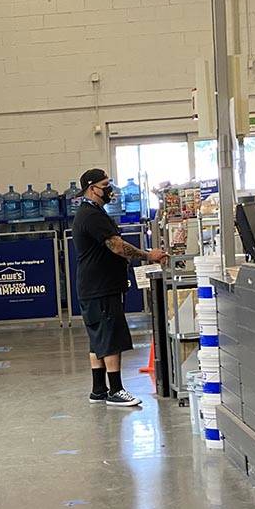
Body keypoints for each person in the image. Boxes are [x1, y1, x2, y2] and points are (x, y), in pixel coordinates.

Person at [71, 168, 169, 407]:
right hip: (100, 287)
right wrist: (148, 255)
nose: (110, 190)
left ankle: (98, 389)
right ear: (92, 189)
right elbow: (116, 246)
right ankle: (115, 389)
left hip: (93, 286)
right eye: (105, 186)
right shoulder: (92, 216)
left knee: (98, 338)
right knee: (110, 337)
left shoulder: (91, 212)